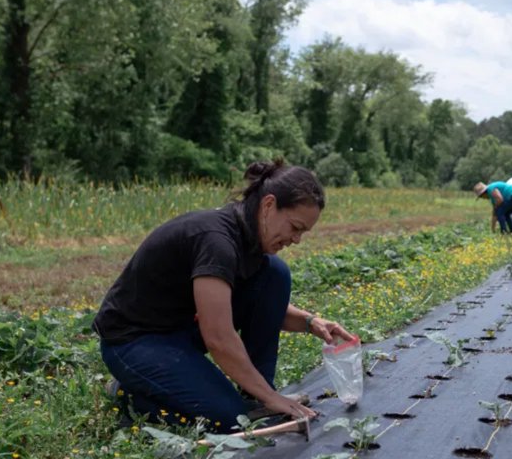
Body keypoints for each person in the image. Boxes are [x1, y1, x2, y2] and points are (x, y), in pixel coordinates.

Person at [94, 160, 355, 430]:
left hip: (179, 331)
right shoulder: (217, 242)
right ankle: (129, 394)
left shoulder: (250, 239)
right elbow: (218, 336)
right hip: (134, 341)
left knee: (274, 274)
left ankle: (256, 394)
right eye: (295, 227)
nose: (296, 239)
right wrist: (274, 398)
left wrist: (311, 323)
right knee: (230, 418)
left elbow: (261, 307)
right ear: (268, 206)